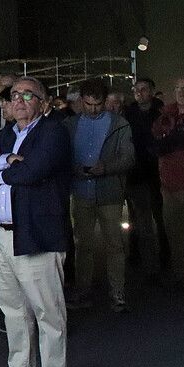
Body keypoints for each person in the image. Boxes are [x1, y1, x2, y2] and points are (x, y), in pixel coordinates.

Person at [0, 77, 72, 367]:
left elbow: (34, 172)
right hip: (3, 237)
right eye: (15, 95)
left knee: (48, 311)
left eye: (29, 95)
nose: (19, 100)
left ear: (44, 103)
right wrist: (3, 162)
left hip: (38, 235)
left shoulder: (53, 132)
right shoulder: (4, 134)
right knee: (13, 309)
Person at [63, 78, 134, 313]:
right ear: (80, 101)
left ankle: (118, 292)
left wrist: (106, 168)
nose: (93, 109)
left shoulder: (119, 124)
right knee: (83, 245)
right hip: (82, 192)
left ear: (105, 101)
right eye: (88, 104)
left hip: (110, 193)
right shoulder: (69, 125)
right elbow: (62, 158)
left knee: (114, 244)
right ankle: (83, 291)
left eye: (98, 104)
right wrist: (76, 170)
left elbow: (129, 158)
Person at [152, 76, 184, 287]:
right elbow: (156, 136)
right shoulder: (167, 113)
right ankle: (183, 275)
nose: (181, 92)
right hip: (169, 184)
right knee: (176, 233)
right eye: (177, 88)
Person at [121, 77, 165, 283]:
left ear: (152, 91)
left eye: (144, 89)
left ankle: (164, 252)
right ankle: (137, 253)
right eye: (136, 90)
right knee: (137, 218)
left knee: (161, 215)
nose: (139, 93)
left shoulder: (162, 112)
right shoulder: (129, 114)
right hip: (136, 173)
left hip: (158, 172)